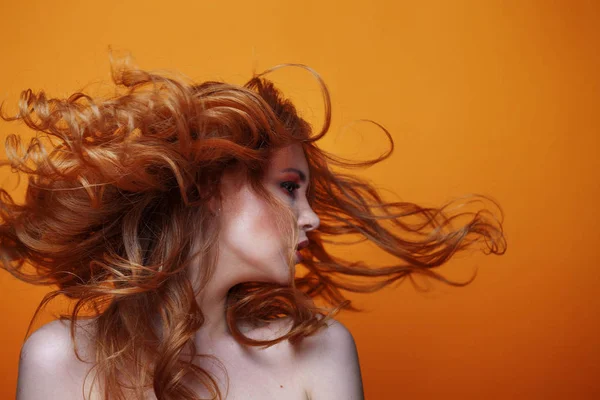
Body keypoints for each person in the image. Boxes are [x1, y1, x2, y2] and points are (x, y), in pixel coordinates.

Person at [0, 58, 507, 400]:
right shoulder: (57, 360)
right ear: (209, 188)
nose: (312, 217)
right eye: (290, 187)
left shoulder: (320, 352)